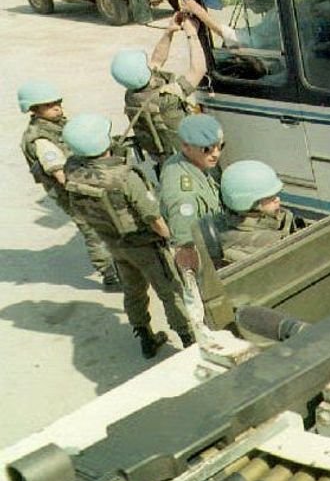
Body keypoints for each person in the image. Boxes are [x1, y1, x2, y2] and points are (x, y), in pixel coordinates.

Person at [61, 114, 194, 357]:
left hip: (114, 243)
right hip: (145, 245)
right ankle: (189, 340)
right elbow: (153, 217)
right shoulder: (125, 177)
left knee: (133, 291)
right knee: (170, 292)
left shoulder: (72, 169)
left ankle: (145, 337)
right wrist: (173, 240)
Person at [17, 81, 118, 288]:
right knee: (92, 229)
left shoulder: (58, 125)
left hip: (85, 183)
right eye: (49, 105)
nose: (57, 108)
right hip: (72, 192)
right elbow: (60, 175)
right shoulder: (41, 139)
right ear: (33, 109)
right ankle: (110, 274)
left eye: (57, 103)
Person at [111, 11, 207, 167]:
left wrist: (169, 32)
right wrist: (192, 35)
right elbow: (198, 70)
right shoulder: (166, 97)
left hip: (164, 160)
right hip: (189, 161)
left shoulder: (132, 95)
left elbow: (156, 61)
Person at [158, 114, 225, 270]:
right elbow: (185, 248)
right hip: (205, 255)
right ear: (186, 147)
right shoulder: (184, 196)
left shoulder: (190, 161)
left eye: (220, 146)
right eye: (206, 149)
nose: (215, 153)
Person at [213, 160, 298, 265]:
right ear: (247, 203)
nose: (277, 200)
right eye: (269, 197)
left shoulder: (281, 219)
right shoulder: (245, 247)